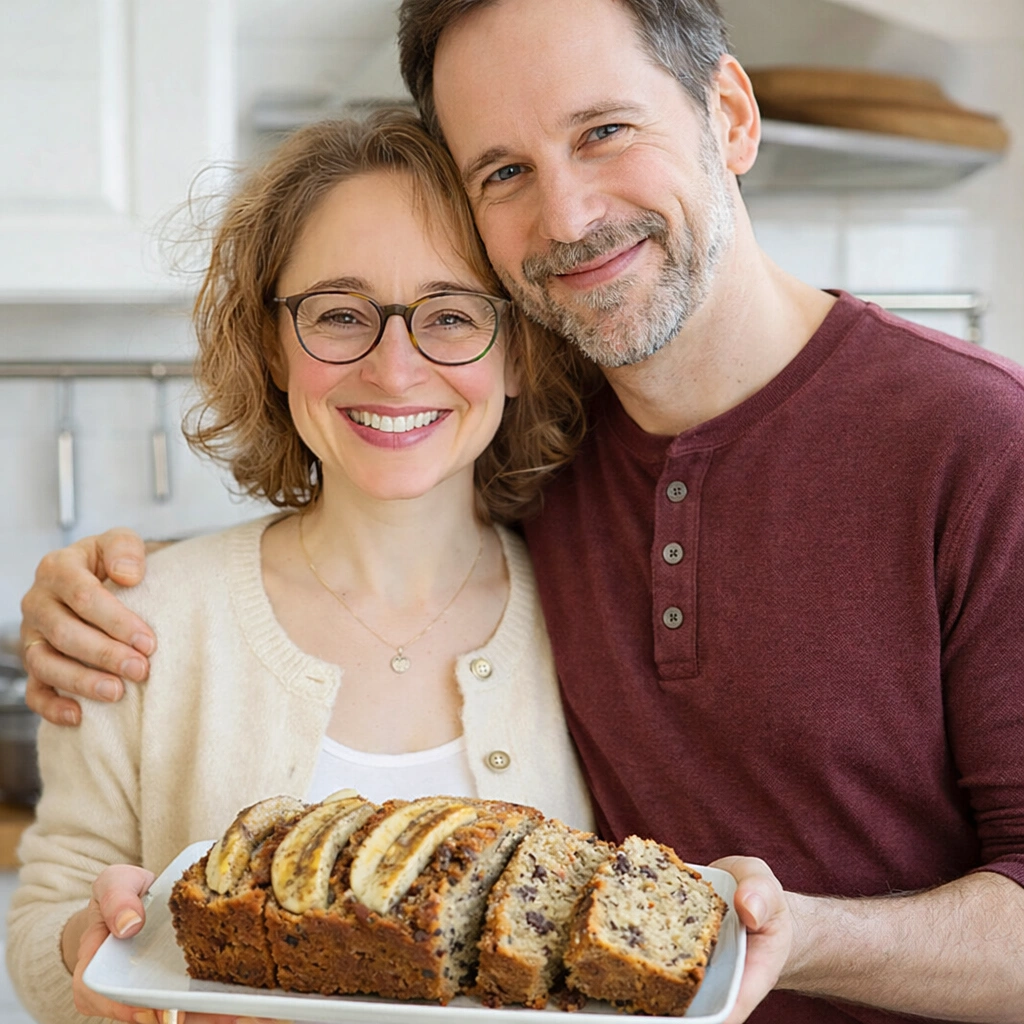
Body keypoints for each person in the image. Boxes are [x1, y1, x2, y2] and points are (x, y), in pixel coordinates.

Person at [18, 1, 1024, 1022]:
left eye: (603, 131)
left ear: (726, 112)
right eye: (502, 170)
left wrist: (798, 935)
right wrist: (80, 594)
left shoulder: (981, 442)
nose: (569, 216)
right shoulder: (563, 460)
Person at [7, 108, 603, 1024]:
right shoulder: (136, 622)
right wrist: (86, 954)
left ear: (519, 347)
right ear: (274, 345)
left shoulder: (594, 617)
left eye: (450, 315)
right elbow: (53, 902)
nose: (395, 370)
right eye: (338, 314)